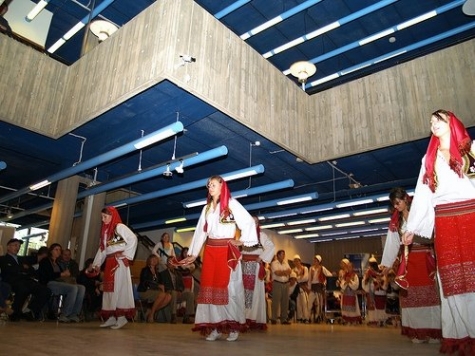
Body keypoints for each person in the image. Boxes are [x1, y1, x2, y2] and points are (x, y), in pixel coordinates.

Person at [401, 110, 475, 354]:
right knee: (451, 279)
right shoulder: (428, 159)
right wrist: (411, 228)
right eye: (431, 122)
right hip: (444, 220)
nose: (433, 124)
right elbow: (423, 196)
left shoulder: (470, 149)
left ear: (452, 121)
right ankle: (460, 334)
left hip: (470, 214)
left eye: (439, 120)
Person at [176, 175, 258, 342]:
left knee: (230, 290)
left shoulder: (231, 204)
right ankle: (215, 327)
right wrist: (193, 253)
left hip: (227, 252)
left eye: (213, 184)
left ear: (222, 186)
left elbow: (248, 221)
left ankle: (233, 326)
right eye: (209, 185)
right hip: (211, 251)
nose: (210, 187)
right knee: (210, 290)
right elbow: (200, 232)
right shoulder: (206, 209)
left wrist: (241, 240)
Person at [381, 187, 441, 343]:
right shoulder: (396, 220)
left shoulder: (419, 213)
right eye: (393, 204)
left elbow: (432, 232)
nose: (395, 206)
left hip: (424, 258)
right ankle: (416, 332)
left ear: (405, 199)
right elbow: (392, 242)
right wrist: (387, 264)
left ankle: (433, 332)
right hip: (407, 262)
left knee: (430, 295)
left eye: (397, 203)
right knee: (410, 295)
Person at [89, 206, 138, 329]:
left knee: (118, 289)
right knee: (108, 290)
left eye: (105, 217)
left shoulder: (119, 227)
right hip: (110, 262)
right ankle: (111, 317)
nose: (103, 219)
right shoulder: (106, 231)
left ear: (112, 216)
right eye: (102, 217)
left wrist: (126, 255)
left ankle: (121, 318)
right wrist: (96, 265)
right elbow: (103, 250)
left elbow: (133, 238)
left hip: (118, 263)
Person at [0, 238, 51, 321]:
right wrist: (22, 268)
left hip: (26, 280)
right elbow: (9, 270)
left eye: (19, 246)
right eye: (15, 245)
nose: (17, 248)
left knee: (46, 291)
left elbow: (31, 269)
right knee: (23, 288)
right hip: (12, 281)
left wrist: (24, 269)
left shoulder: (22, 259)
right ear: (8, 247)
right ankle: (15, 313)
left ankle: (30, 311)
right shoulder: (3, 259)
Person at [241, 216, 275, 330]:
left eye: (255, 222)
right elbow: (239, 250)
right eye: (251, 222)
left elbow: (271, 246)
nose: (253, 224)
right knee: (244, 293)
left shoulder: (262, 235)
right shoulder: (244, 236)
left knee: (253, 294)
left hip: (254, 267)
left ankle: (251, 319)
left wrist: (261, 258)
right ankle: (243, 317)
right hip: (244, 266)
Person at [37, 243, 85, 323]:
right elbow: (46, 275)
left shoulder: (58, 263)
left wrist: (66, 275)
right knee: (73, 288)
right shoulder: (45, 261)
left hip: (59, 282)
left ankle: (74, 314)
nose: (58, 251)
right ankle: (65, 314)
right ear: (51, 251)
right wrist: (61, 274)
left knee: (82, 288)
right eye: (56, 249)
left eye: (59, 250)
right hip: (49, 283)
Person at [159, 257, 195, 324]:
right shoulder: (162, 274)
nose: (171, 263)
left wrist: (180, 290)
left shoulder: (178, 273)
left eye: (172, 262)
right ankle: (173, 316)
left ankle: (187, 317)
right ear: (167, 263)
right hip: (169, 293)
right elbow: (161, 286)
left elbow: (182, 285)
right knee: (174, 292)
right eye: (169, 262)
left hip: (178, 293)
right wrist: (173, 290)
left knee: (190, 294)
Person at [137, 254, 171, 323]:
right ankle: (151, 315)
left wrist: (163, 287)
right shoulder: (145, 270)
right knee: (162, 295)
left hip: (155, 292)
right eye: (152, 259)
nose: (154, 261)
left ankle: (150, 312)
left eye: (156, 259)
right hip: (144, 291)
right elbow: (145, 282)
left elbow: (161, 283)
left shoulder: (157, 272)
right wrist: (158, 286)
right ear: (149, 261)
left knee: (169, 297)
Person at [362, 255, 388, 327]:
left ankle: (378, 320)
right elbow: (365, 282)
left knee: (378, 307)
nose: (371, 266)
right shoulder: (368, 273)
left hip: (378, 293)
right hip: (371, 292)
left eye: (372, 264)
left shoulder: (381, 273)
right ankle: (372, 320)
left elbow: (384, 282)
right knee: (372, 307)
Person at [307, 254, 333, 323]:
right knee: (310, 302)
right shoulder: (311, 268)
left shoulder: (322, 268)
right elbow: (309, 279)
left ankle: (317, 317)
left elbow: (329, 275)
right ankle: (308, 317)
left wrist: (324, 282)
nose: (315, 262)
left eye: (316, 261)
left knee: (319, 303)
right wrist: (309, 288)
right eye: (314, 260)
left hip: (319, 287)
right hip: (313, 286)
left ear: (319, 261)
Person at [336, 258, 361, 325]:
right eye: (348, 267)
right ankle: (347, 319)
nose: (349, 268)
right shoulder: (344, 275)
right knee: (345, 308)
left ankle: (353, 320)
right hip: (345, 294)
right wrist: (345, 283)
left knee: (353, 308)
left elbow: (356, 285)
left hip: (352, 294)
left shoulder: (355, 275)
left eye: (350, 267)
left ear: (352, 268)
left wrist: (350, 282)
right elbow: (342, 285)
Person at [270, 249, 292, 325]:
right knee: (275, 301)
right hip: (277, 283)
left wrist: (282, 272)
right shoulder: (274, 263)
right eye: (282, 254)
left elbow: (290, 271)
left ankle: (284, 319)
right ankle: (274, 318)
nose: (284, 256)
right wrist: (284, 272)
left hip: (286, 283)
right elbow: (277, 273)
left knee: (285, 302)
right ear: (278, 255)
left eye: (284, 254)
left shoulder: (286, 263)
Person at [292, 254, 310, 323]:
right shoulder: (293, 270)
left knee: (305, 303)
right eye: (295, 261)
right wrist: (300, 277)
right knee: (298, 304)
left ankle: (306, 317)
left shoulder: (304, 268)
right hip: (297, 288)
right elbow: (293, 279)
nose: (296, 262)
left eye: (297, 261)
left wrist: (298, 278)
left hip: (303, 288)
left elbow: (306, 277)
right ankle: (300, 318)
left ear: (300, 261)